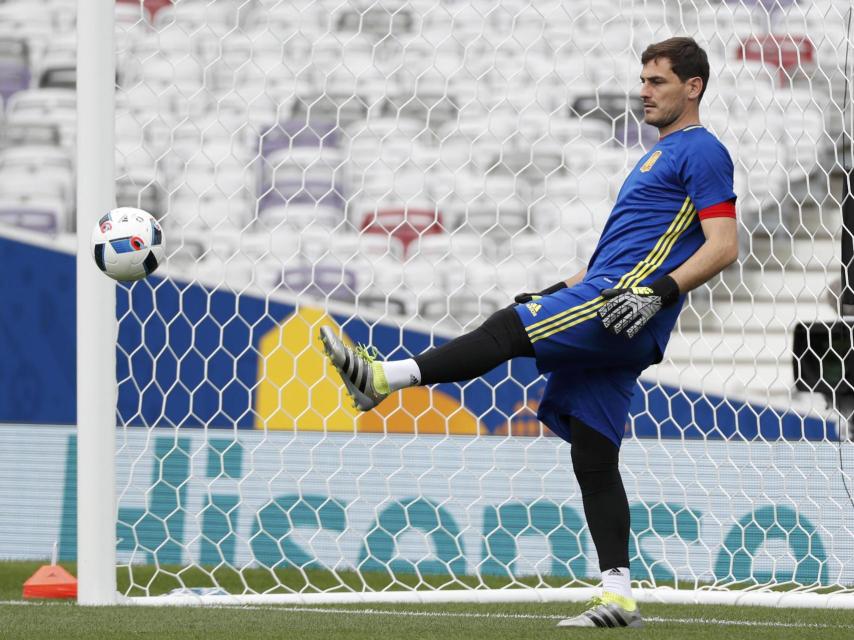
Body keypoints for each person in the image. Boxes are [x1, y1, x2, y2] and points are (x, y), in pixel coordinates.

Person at [320, 36, 738, 629]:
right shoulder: (658, 155)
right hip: (614, 301)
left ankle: (382, 379)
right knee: (594, 455)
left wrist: (658, 292)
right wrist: (554, 289)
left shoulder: (703, 151)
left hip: (620, 307)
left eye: (657, 81)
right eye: (642, 80)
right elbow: (614, 256)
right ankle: (618, 597)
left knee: (505, 330)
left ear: (693, 87)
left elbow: (724, 246)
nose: (643, 92)